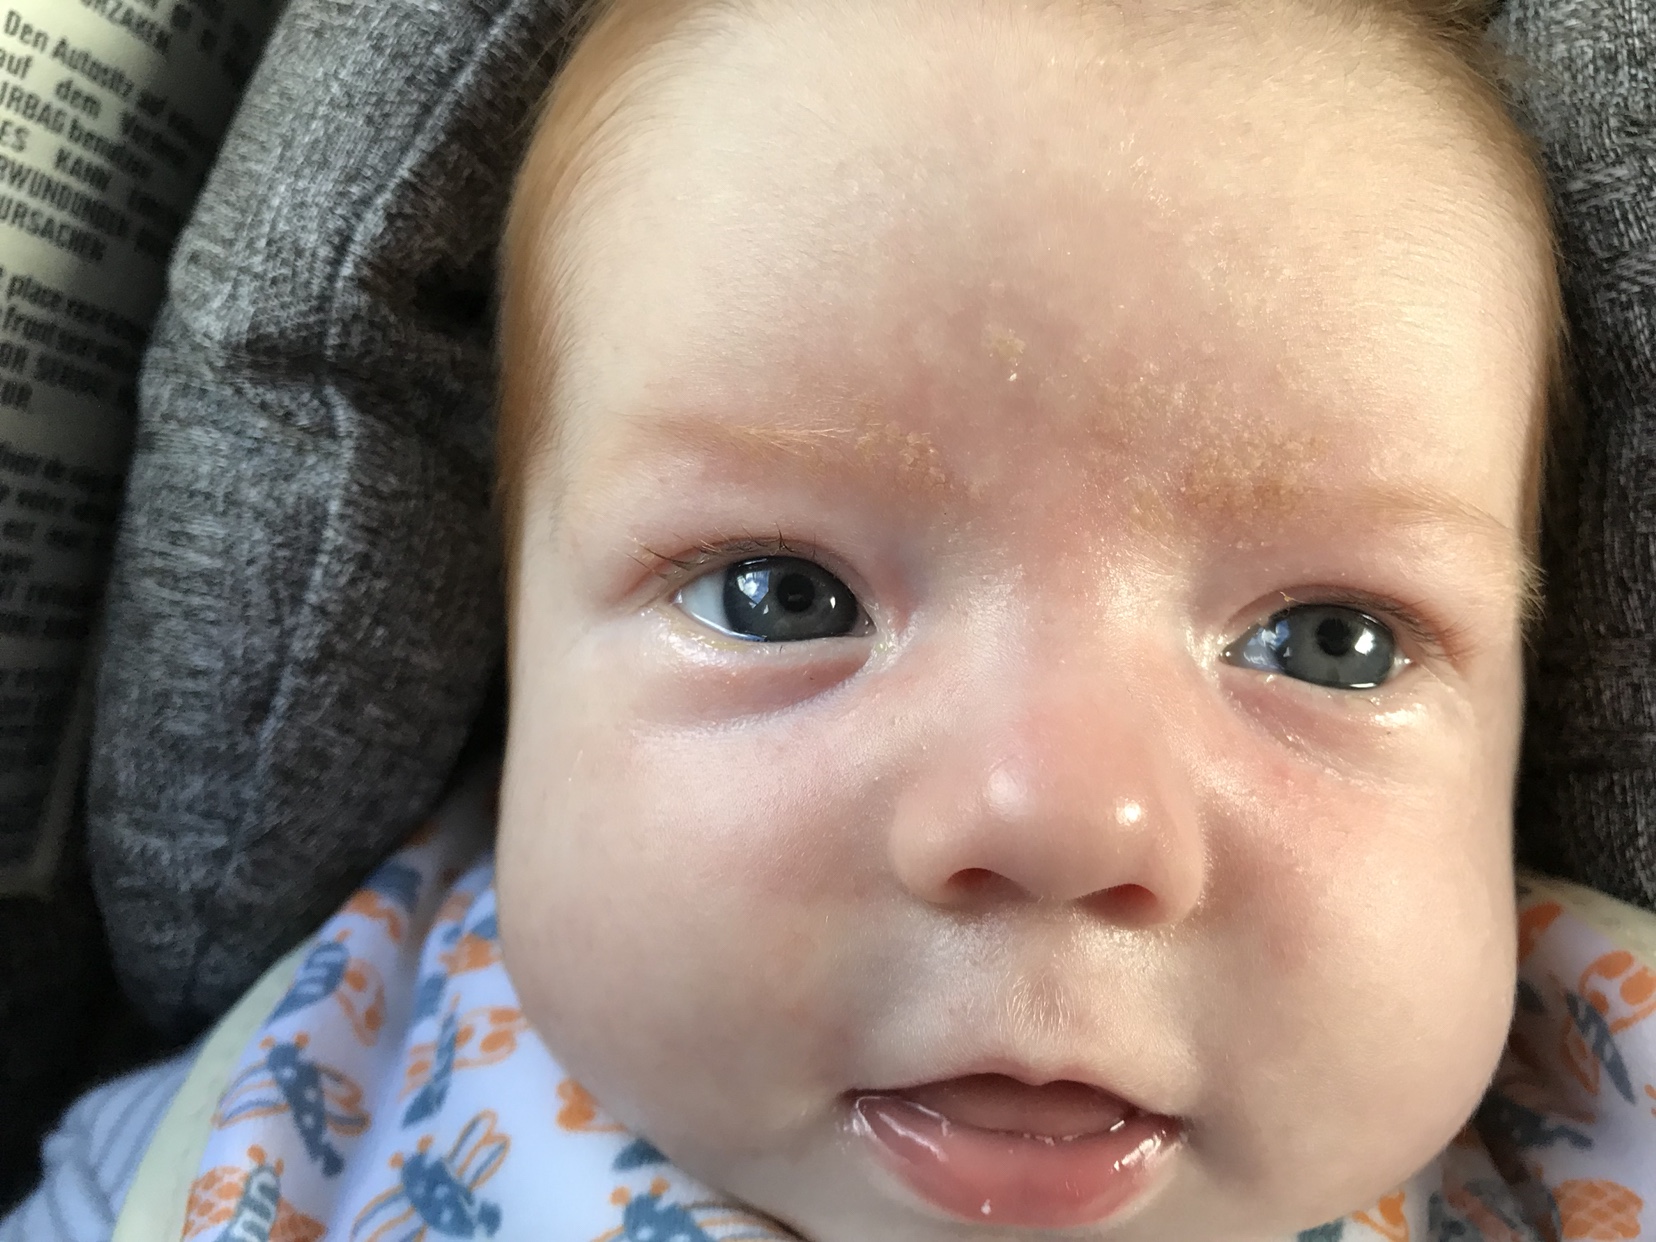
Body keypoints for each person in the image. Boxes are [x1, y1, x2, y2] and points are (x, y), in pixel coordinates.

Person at [8, 0, 1656, 1239]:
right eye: (781, 596)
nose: (1054, 817)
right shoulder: (309, 1105)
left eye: (1331, 640)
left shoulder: (1603, 1118)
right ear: (505, 653)